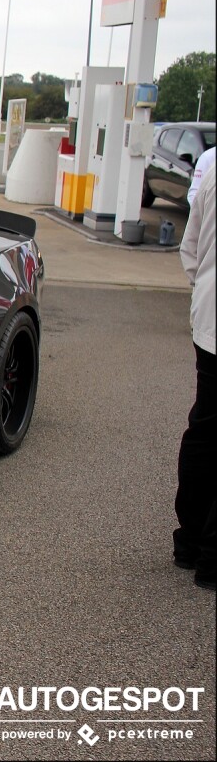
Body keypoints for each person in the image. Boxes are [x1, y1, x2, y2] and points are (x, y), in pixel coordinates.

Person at [176, 165, 215, 590]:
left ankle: (188, 542)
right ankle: (212, 560)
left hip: (210, 317)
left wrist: (204, 286)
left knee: (204, 429)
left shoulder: (214, 165)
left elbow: (191, 247)